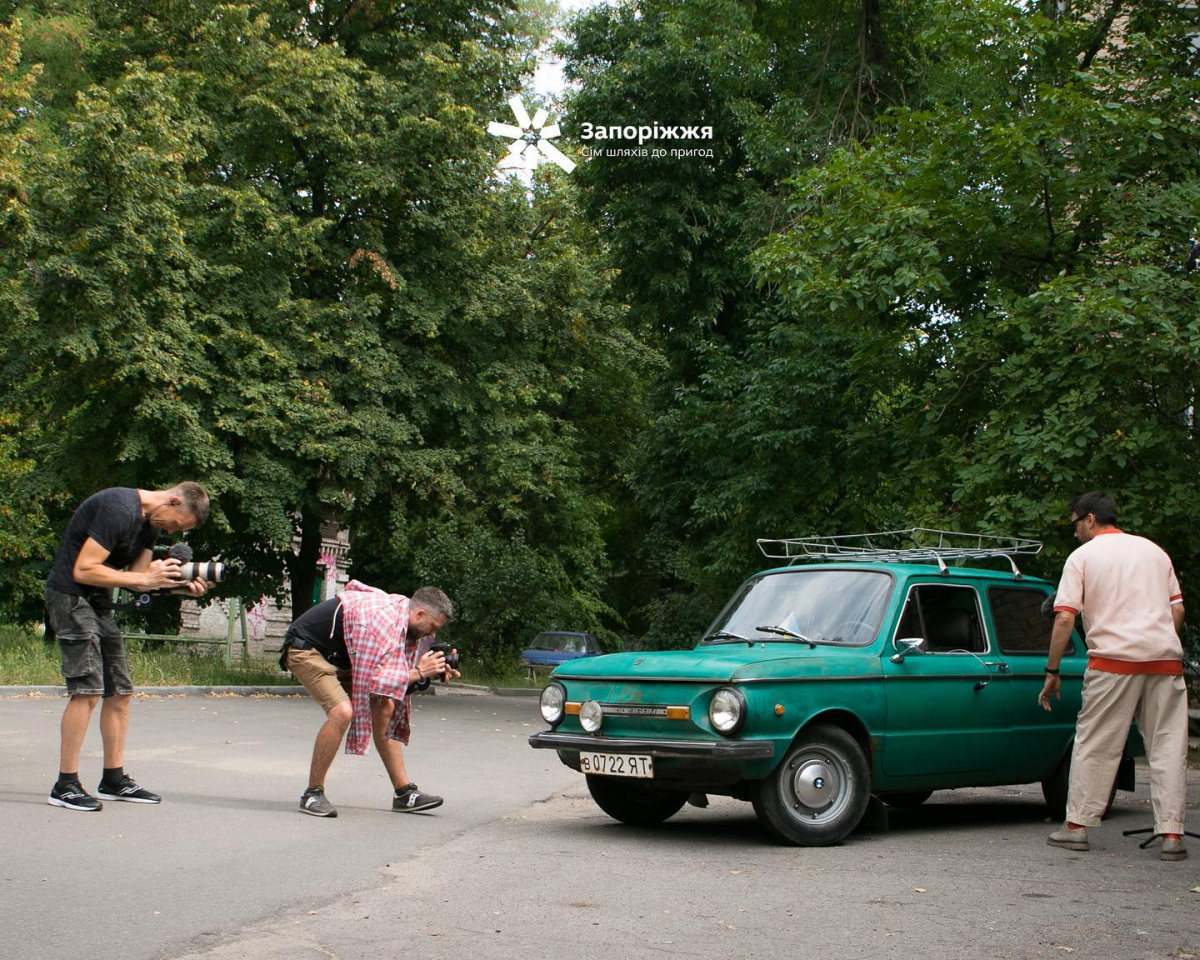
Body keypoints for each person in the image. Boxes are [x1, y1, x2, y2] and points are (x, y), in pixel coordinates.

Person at [1038, 491, 1189, 861]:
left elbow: (1064, 616)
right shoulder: (1154, 552)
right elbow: (1178, 608)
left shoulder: (1084, 557)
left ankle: (1076, 827)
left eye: (1075, 522)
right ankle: (1171, 835)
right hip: (1164, 660)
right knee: (1169, 746)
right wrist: (1156, 640)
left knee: (1096, 744)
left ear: (1090, 519)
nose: (1074, 531)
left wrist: (1053, 670)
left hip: (1113, 662)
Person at [45, 483, 213, 812]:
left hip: (97, 602)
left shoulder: (150, 524)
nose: (173, 530)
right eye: (177, 523)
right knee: (87, 690)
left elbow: (139, 578)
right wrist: (142, 581)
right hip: (69, 595)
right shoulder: (119, 508)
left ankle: (113, 779)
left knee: (120, 690)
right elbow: (84, 569)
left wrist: (179, 589)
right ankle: (64, 784)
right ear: (173, 500)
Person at [281, 580, 457, 818]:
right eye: (433, 626)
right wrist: (418, 672)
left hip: (342, 657)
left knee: (384, 706)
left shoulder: (405, 624)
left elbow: (393, 682)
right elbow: (371, 683)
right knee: (342, 712)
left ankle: (403, 794)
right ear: (420, 613)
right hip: (308, 650)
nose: (433, 633)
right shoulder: (379, 623)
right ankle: (312, 794)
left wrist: (429, 673)